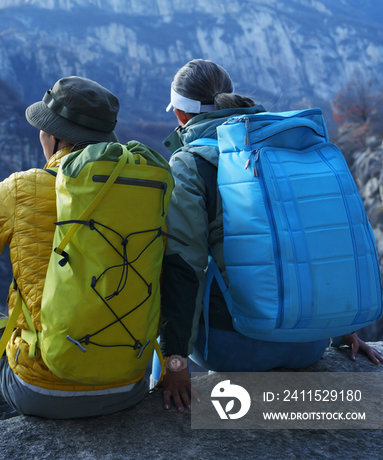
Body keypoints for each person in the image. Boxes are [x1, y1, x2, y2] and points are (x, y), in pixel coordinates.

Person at [157, 58, 383, 413]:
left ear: (181, 116)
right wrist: (342, 330)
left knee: (172, 270)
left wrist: (175, 364)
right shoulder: (285, 145)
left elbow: (185, 266)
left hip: (234, 348)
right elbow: (320, 238)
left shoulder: (190, 163)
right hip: (309, 343)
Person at [0, 76, 149, 424]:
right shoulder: (145, 186)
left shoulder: (22, 188)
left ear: (56, 139)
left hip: (43, 390)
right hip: (131, 384)